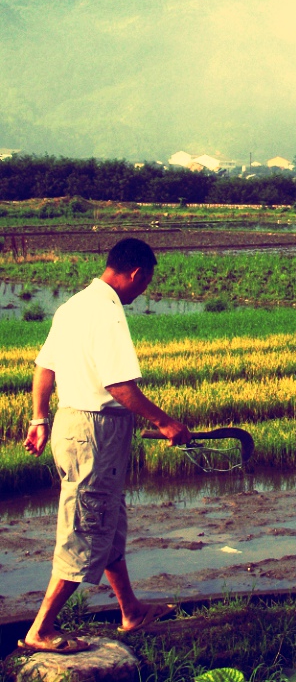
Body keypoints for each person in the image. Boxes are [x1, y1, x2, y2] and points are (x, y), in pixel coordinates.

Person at [21, 238, 191, 653]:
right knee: (86, 526)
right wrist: (165, 421)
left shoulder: (74, 305)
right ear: (136, 274)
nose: (144, 290)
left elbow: (45, 366)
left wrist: (38, 418)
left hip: (69, 424)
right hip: (94, 432)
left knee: (108, 520)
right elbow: (118, 386)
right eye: (146, 282)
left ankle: (130, 611)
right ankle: (40, 630)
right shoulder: (108, 314)